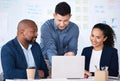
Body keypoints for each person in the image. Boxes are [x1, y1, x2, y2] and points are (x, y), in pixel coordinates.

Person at [40, 2, 79, 66]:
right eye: (59, 20)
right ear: (54, 15)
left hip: (65, 62)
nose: (62, 24)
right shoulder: (46, 27)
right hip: (47, 61)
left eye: (65, 21)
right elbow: (50, 50)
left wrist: (70, 54)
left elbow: (72, 49)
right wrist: (58, 66)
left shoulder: (74, 28)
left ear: (70, 16)